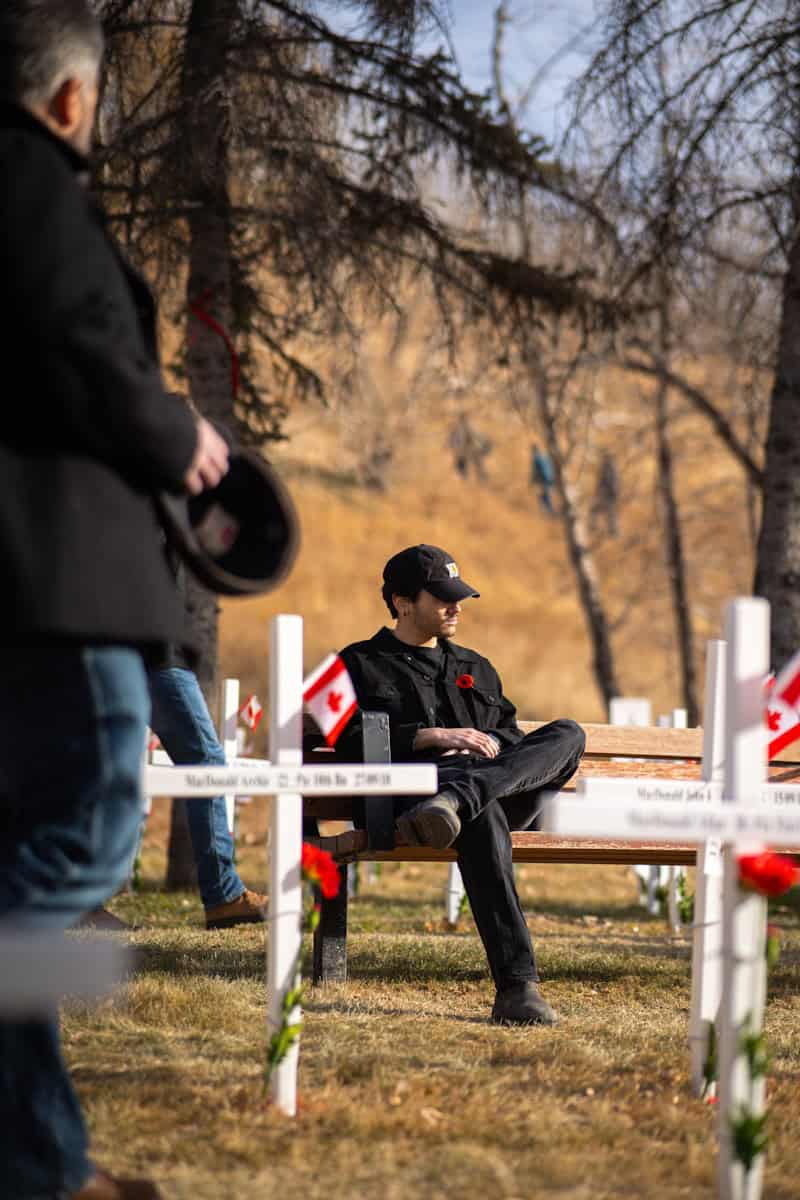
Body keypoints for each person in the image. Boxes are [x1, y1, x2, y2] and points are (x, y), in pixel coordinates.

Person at [0, 3, 229, 1197]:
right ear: (72, 97)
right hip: (56, 577)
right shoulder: (29, 175)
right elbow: (82, 343)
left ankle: (40, 1161)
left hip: (26, 586)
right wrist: (171, 426)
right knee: (88, 829)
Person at [337, 544, 585, 1026]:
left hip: (483, 792)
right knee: (480, 813)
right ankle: (517, 989)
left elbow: (512, 735)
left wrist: (486, 743)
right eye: (442, 598)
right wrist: (432, 736)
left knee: (569, 733)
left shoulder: (476, 666)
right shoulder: (360, 663)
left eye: (459, 597)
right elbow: (345, 743)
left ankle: (464, 796)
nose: (455, 608)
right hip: (413, 800)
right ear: (402, 603)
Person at [530, 444, 556, 516]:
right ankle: (549, 510)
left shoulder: (536, 458)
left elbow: (535, 471)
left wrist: (532, 481)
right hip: (550, 477)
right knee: (547, 494)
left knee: (544, 494)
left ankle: (548, 510)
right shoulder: (545, 457)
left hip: (544, 479)